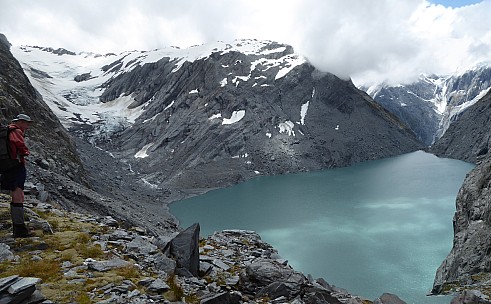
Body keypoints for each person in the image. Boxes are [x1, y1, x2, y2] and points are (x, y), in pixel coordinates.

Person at [0, 114, 33, 238]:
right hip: (16, 165)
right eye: (27, 123)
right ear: (20, 122)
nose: (28, 126)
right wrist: (25, 151)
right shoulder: (16, 130)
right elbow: (17, 142)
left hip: (5, 165)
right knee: (18, 194)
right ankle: (19, 229)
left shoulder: (5, 131)